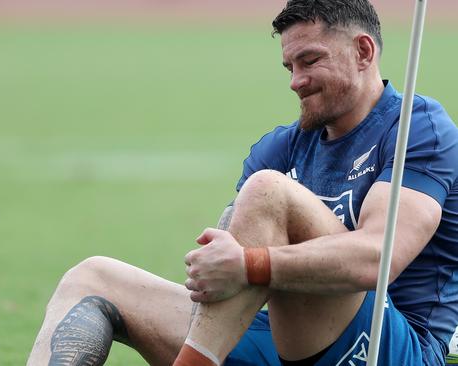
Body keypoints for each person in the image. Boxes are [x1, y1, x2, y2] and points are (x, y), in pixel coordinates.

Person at [27, 0, 458, 365]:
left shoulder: (416, 128)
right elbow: (230, 270)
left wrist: (250, 265)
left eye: (310, 60)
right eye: (289, 66)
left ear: (363, 51)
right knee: (93, 277)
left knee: (268, 191)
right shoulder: (282, 147)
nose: (295, 81)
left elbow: (378, 258)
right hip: (280, 336)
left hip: (392, 346)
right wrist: (220, 268)